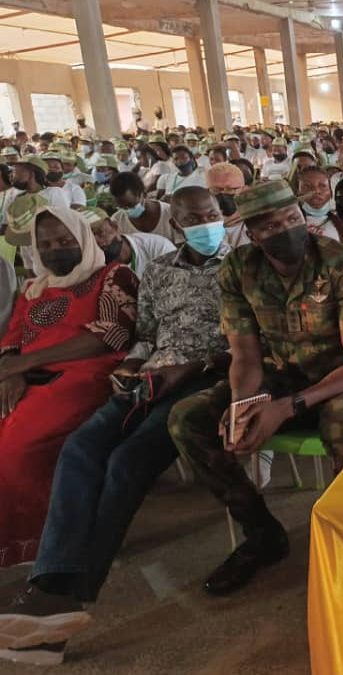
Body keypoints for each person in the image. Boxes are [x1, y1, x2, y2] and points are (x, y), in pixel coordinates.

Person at [0, 188, 231, 664]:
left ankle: (62, 600)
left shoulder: (242, 267)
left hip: (208, 377)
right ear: (176, 224)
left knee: (126, 460)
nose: (203, 224)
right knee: (83, 447)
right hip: (151, 375)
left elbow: (249, 340)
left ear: (223, 217)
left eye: (211, 215)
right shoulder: (162, 271)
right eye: (193, 218)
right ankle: (51, 587)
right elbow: (144, 335)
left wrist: (186, 370)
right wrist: (131, 366)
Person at [168, 179, 343, 596]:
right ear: (251, 234)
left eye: (292, 218)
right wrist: (243, 404)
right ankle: (262, 534)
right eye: (269, 227)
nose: (285, 230)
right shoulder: (239, 268)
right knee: (187, 419)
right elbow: (245, 356)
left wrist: (287, 408)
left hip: (341, 380)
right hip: (279, 375)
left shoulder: (342, 264)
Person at [0, 206, 138, 570]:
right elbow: (12, 339)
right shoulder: (34, 288)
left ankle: (38, 541)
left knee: (17, 446)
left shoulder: (113, 275)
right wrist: (11, 371)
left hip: (84, 376)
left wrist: (25, 363)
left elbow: (112, 335)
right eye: (45, 245)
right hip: (25, 379)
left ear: (83, 238)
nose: (54, 249)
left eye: (64, 240)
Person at [87, 207, 176, 279]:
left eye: (100, 232)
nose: (96, 241)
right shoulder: (89, 268)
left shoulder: (159, 248)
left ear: (114, 226)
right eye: (88, 239)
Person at [109, 171, 173, 240]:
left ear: (144, 194)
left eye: (130, 205)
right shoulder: (117, 222)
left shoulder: (170, 214)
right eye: (121, 207)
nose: (126, 210)